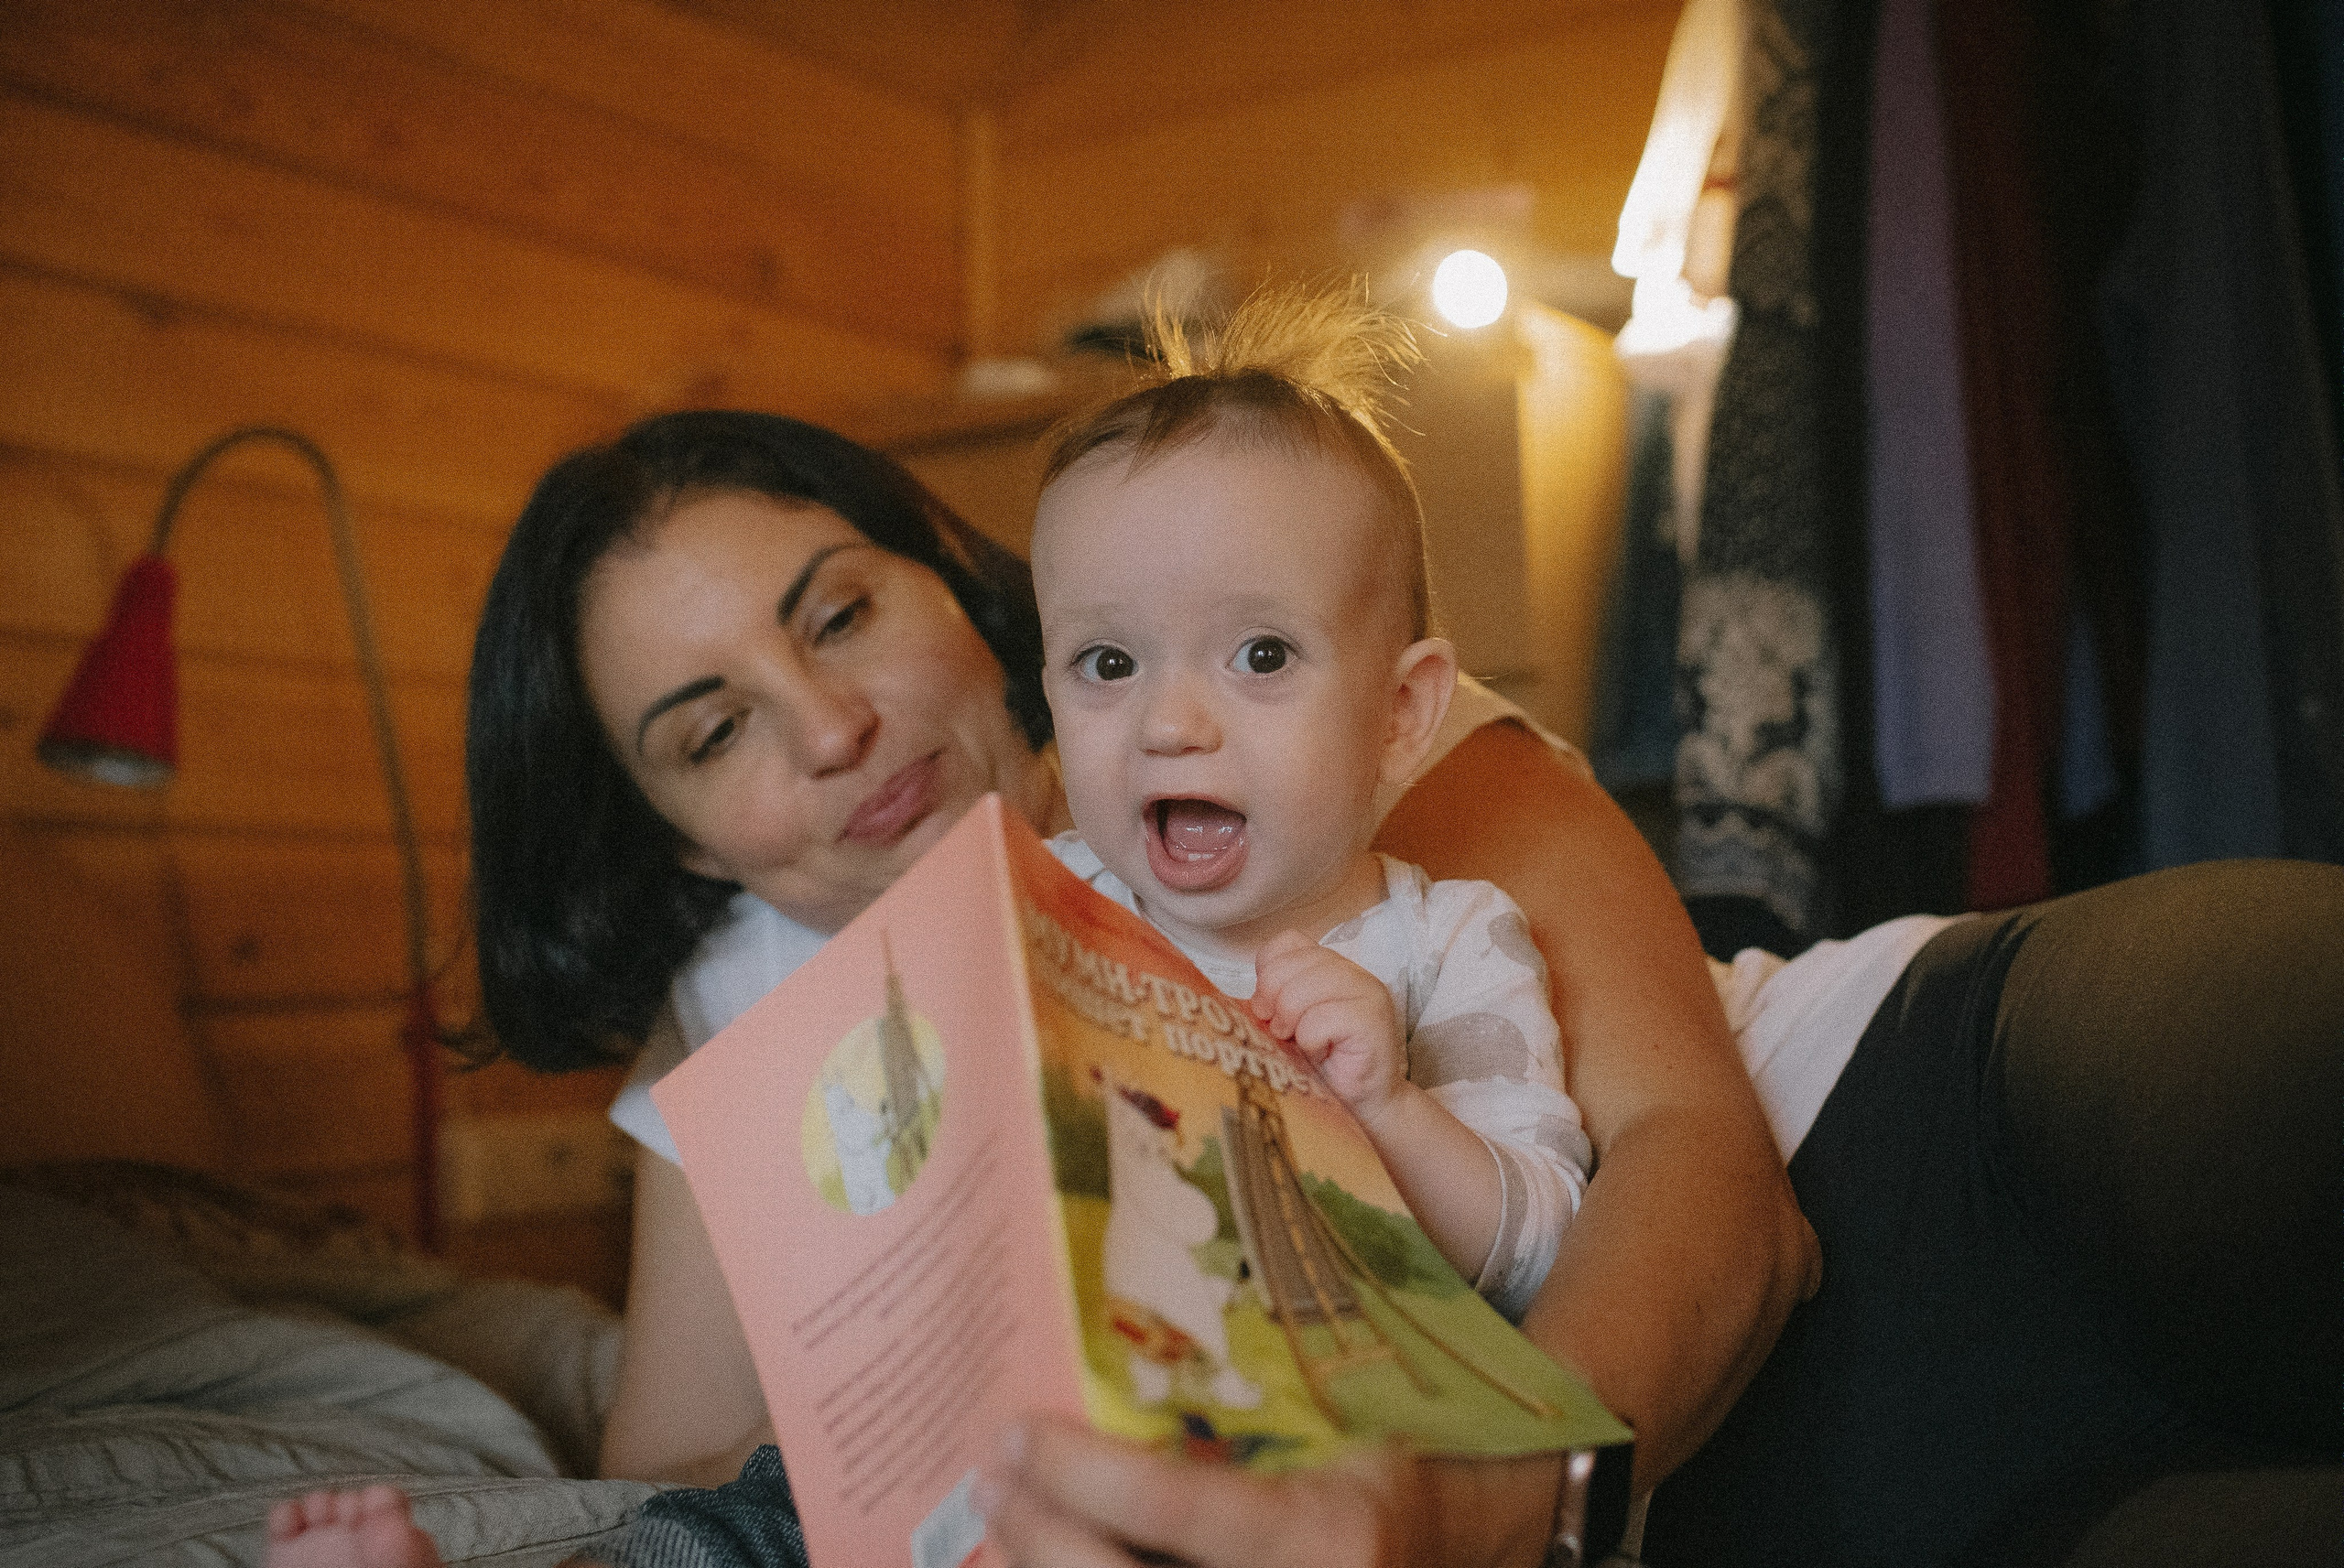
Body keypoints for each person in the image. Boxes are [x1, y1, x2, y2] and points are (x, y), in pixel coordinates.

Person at [465, 379, 2339, 1566]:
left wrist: (1488, 1500)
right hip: (1758, 1503)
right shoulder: (740, 1018)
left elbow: (1710, 1177)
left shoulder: (1309, 712)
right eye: (708, 730)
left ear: (968, 595)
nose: (833, 724)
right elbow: (694, 1467)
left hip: (1910, 1128)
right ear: (681, 837)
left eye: (841, 610)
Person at [1030, 287, 1590, 1314]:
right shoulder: (1040, 905)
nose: (1168, 723)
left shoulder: (1448, 944)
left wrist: (1387, 1108)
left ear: (1399, 713)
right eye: (1107, 661)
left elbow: (1543, 1247)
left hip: (1327, 1428)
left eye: (1261, 654)